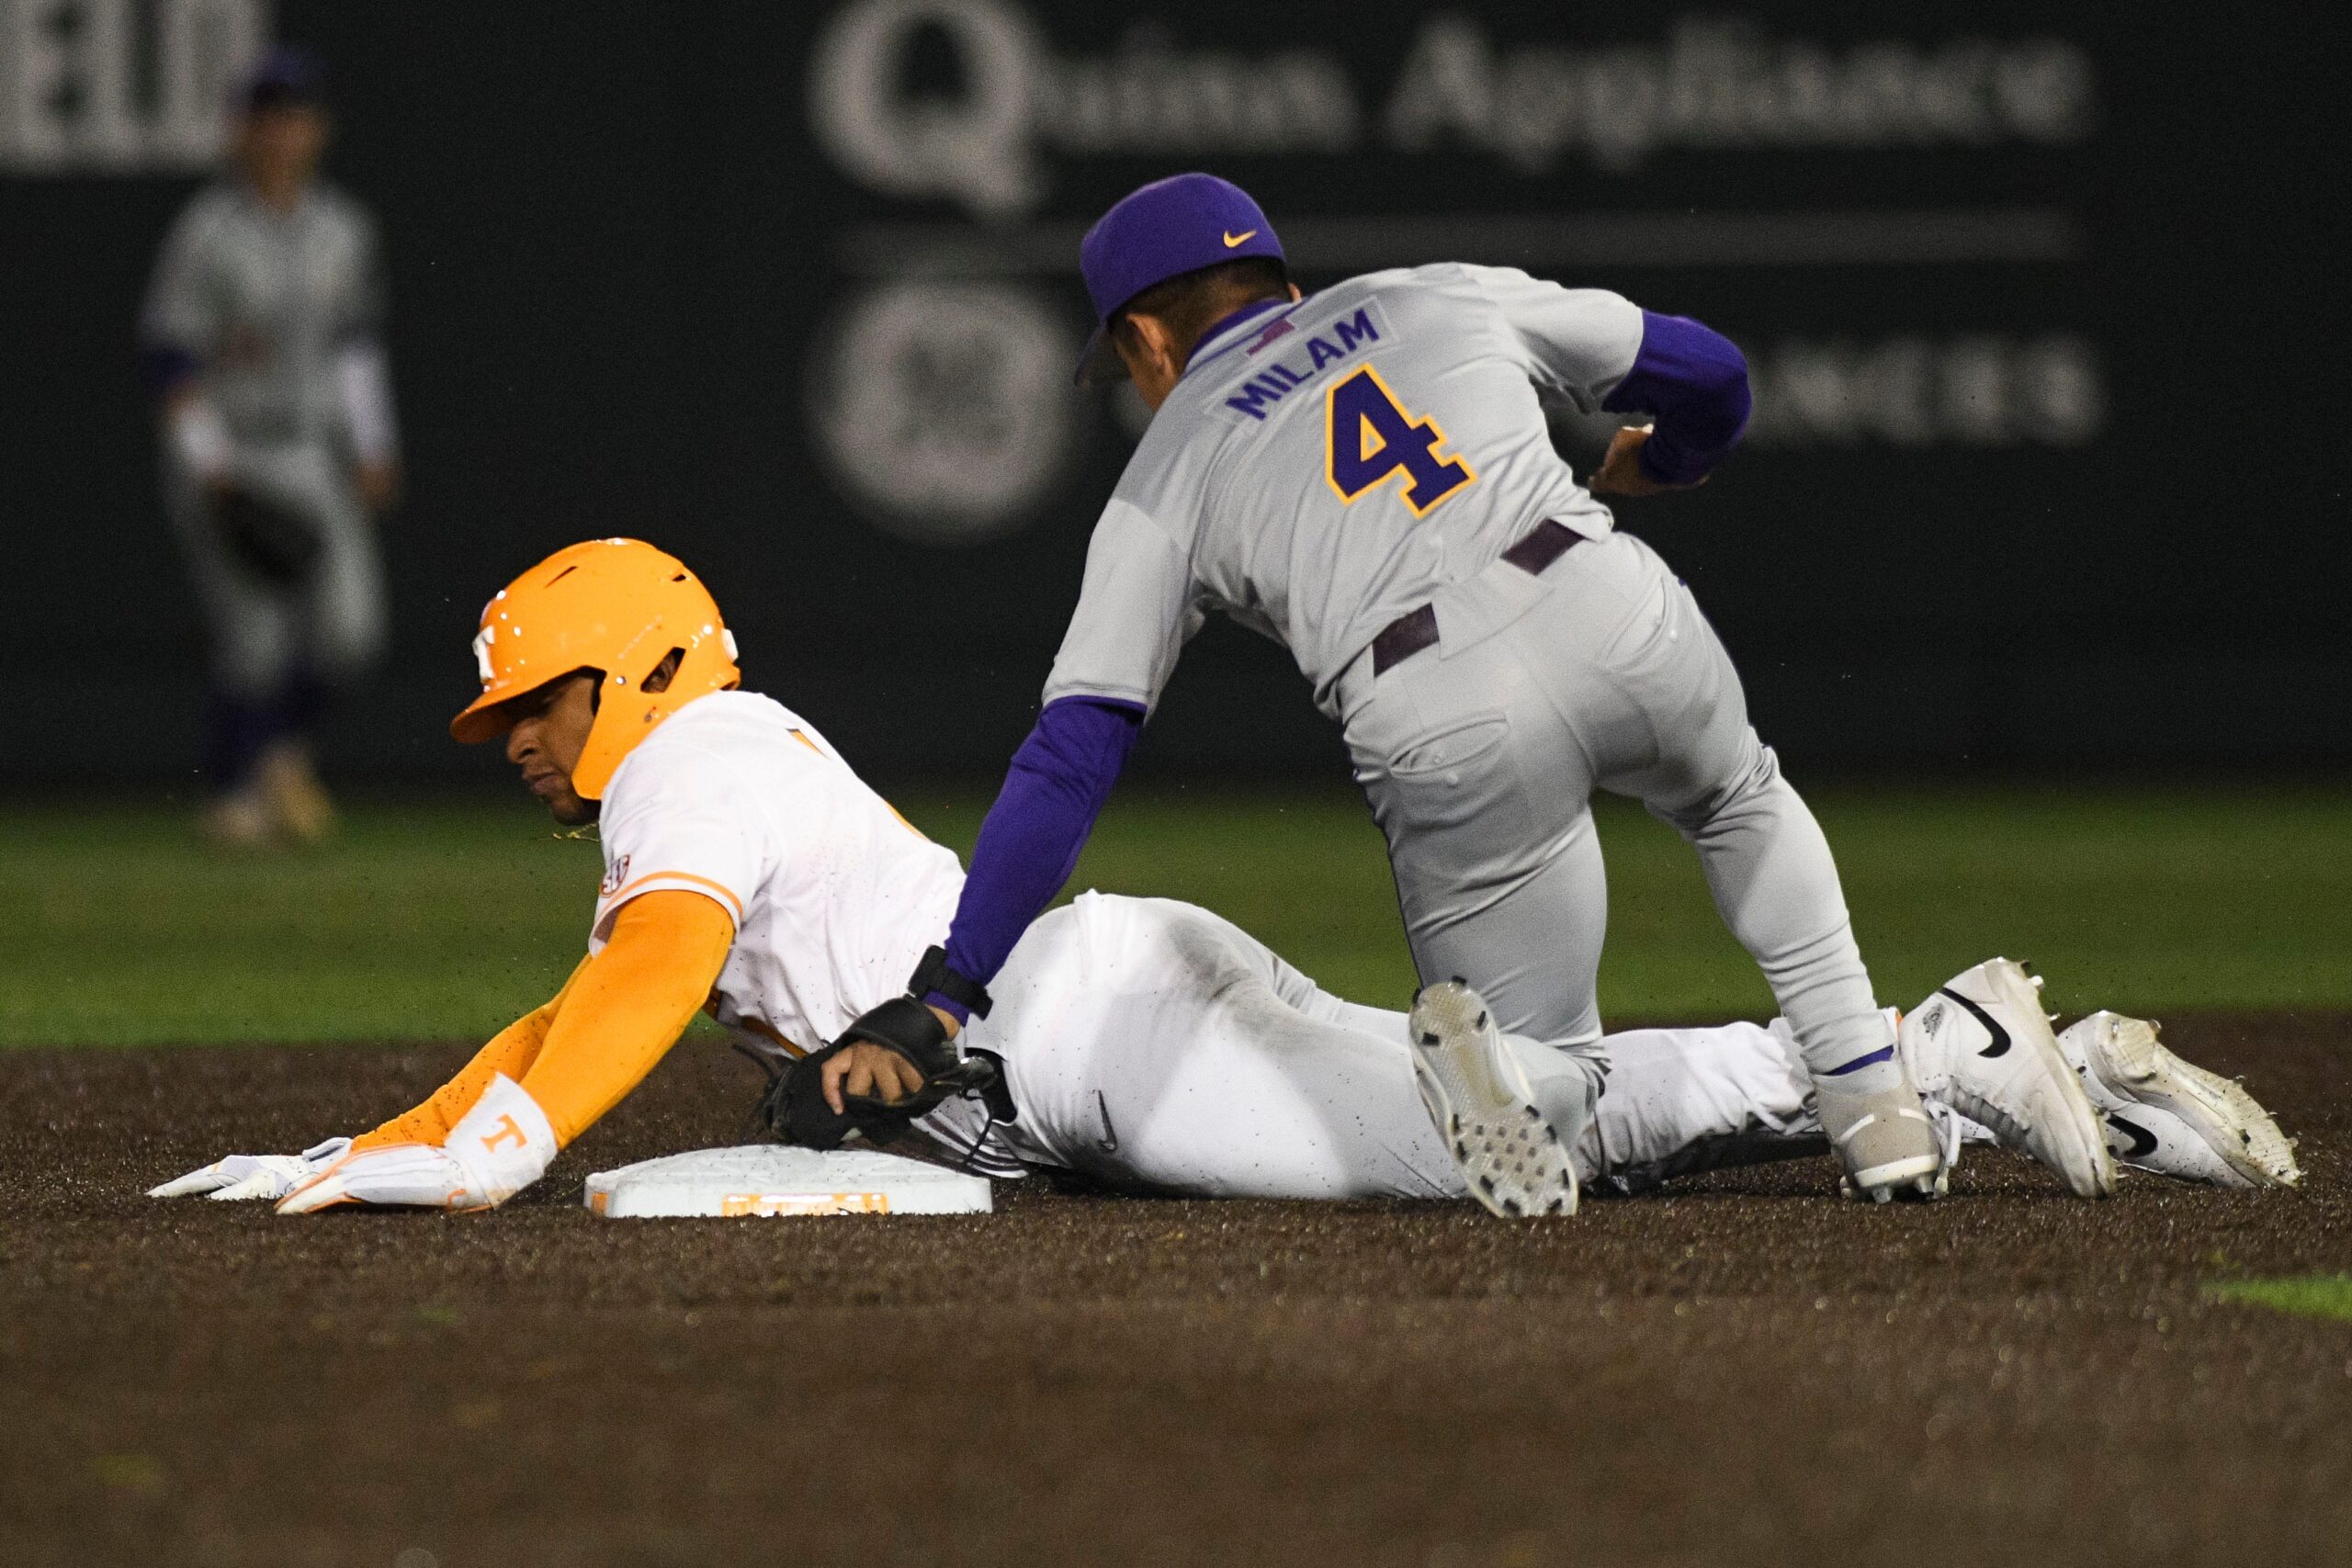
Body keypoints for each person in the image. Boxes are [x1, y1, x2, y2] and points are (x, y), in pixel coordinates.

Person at [146, 541, 2298, 1215]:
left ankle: (1930, 1037)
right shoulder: (705, 762)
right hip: (1089, 1010)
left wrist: (497, 1143)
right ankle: (2031, 1069)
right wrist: (391, 1132)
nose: (517, 740)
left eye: (534, 703)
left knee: (1499, 1156)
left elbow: (635, 991)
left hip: (1093, 1026)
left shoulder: (687, 755)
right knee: (1501, 1125)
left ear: (635, 673)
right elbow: (577, 1003)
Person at [841, 170, 2021, 1208]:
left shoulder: (1166, 473)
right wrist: (1661, 460)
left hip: (1430, 703)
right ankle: (1873, 1100)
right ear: (1270, 277)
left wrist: (950, 993)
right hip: (1592, 590)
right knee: (1733, 799)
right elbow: (1710, 371)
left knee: (1556, 1070)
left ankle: (1521, 1080)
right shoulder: (1431, 291)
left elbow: (1073, 751)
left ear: (1149, 338)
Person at [139, 46, 400, 849]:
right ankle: (230, 795)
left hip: (311, 450)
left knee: (352, 628)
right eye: (267, 118)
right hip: (234, 451)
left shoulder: (342, 229)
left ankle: (278, 756)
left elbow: (355, 345)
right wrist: (206, 462)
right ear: (241, 131)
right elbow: (171, 358)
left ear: (318, 129)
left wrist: (373, 442)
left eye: (295, 117)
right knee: (254, 640)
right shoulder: (208, 234)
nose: (282, 133)